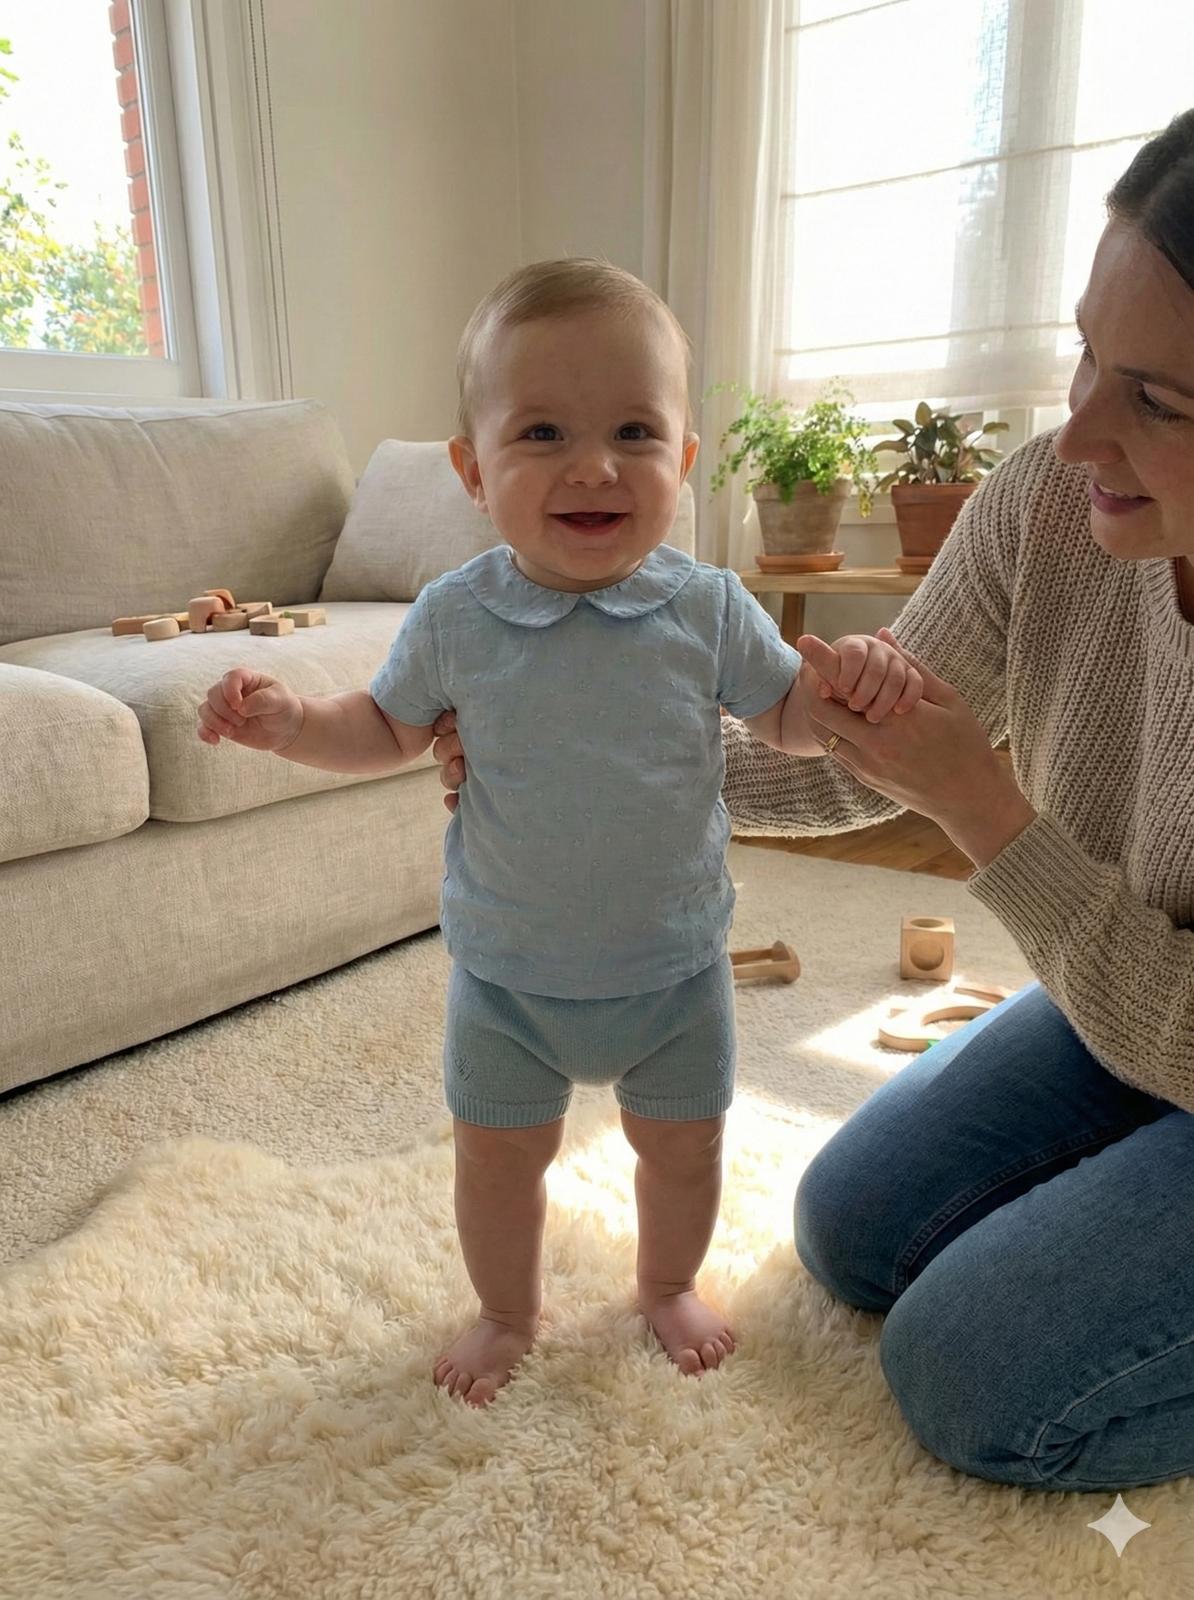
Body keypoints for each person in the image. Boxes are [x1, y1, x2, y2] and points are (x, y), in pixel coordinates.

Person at [430, 113, 1194, 1487]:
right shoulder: (1044, 504)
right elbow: (842, 740)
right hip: (1125, 1006)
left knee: (975, 1379)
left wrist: (984, 811)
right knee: (848, 1231)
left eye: (1155, 401)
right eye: (1083, 351)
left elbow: (951, 790)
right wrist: (606, 765)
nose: (1074, 430)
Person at [195, 258, 923, 1407]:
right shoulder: (455, 616)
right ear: (472, 471)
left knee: (680, 1150)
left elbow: (789, 716)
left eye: (636, 430)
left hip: (675, 970)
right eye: (541, 431)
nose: (594, 465)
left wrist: (853, 689)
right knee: (498, 1161)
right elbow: (383, 728)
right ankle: (506, 1308)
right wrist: (292, 724)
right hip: (509, 979)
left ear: (683, 460)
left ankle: (666, 1283)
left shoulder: (708, 606)